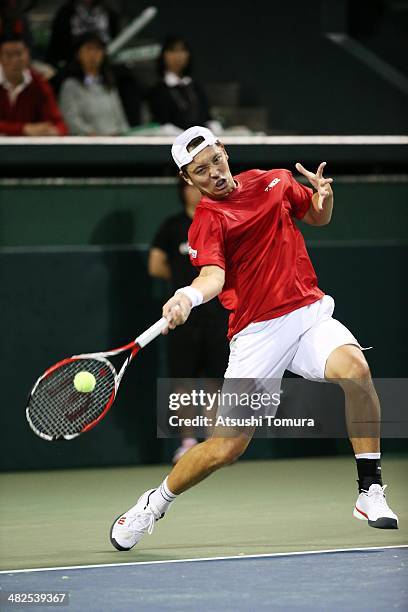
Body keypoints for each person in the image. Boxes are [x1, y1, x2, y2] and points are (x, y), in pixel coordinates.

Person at [110, 125, 398, 551]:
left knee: (356, 370)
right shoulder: (207, 220)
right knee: (225, 448)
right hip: (257, 334)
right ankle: (153, 504)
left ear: (225, 150)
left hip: (307, 313)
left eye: (215, 160)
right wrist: (187, 295)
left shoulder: (276, 180)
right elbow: (213, 275)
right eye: (200, 171)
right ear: (188, 181)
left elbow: (317, 216)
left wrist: (324, 196)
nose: (214, 173)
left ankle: (369, 489)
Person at [149, 180, 229, 463]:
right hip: (182, 319)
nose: (196, 190)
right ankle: (187, 442)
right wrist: (183, 293)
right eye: (191, 184)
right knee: (182, 382)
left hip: (217, 317)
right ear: (182, 189)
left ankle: (213, 441)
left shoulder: (220, 222)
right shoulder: (172, 226)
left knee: (213, 383)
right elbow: (155, 265)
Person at [58, 31, 128, 136]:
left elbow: (121, 118)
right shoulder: (70, 86)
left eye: (98, 49)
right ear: (78, 53)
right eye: (89, 49)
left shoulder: (108, 83)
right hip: (88, 146)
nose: (93, 54)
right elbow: (71, 121)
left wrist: (125, 135)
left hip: (116, 142)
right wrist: (96, 136)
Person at [0, 32, 67, 136]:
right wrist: (23, 129)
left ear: (27, 54)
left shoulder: (39, 84)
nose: (14, 60)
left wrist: (53, 131)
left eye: (19, 54)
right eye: (9, 55)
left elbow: (59, 123)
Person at [148, 36, 220, 132]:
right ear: (164, 55)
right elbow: (162, 124)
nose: (178, 56)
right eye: (172, 50)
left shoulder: (195, 86)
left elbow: (208, 117)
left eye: (182, 50)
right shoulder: (158, 90)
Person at [46, 0, 119, 68]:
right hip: (71, 66)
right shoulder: (65, 13)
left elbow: (116, 40)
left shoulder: (109, 13)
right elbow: (56, 45)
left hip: (104, 65)